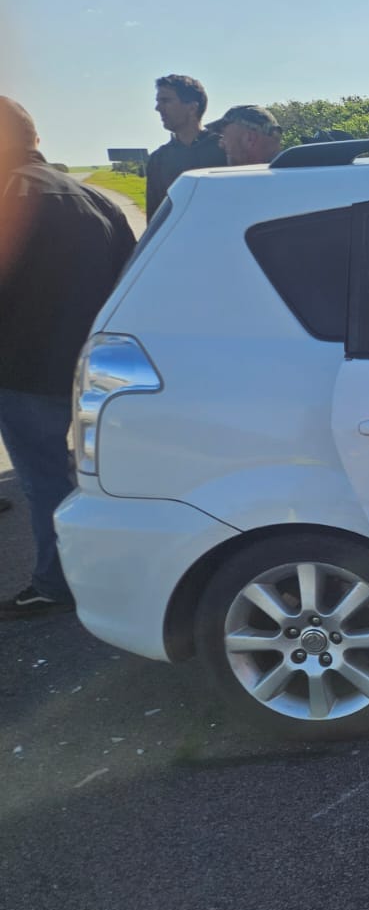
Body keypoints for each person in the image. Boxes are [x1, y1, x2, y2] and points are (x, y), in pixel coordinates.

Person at [0, 98, 135, 618]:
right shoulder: (96, 199)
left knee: (47, 481)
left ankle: (57, 582)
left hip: (26, 367)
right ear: (35, 138)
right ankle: (115, 566)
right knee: (101, 475)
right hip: (97, 365)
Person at [146, 74, 227, 216]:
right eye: (158, 101)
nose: (158, 108)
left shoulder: (224, 149)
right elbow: (154, 219)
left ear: (192, 107)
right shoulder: (158, 159)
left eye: (166, 101)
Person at [209, 105, 283, 166]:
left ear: (249, 139)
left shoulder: (243, 181)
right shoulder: (290, 176)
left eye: (224, 136)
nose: (221, 144)